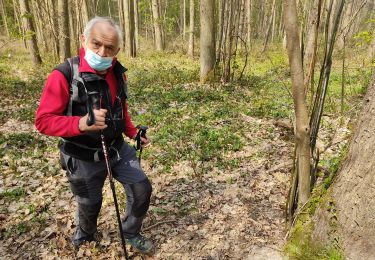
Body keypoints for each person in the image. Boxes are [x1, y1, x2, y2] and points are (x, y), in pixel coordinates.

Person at [35, 17, 153, 254]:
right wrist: (80, 123)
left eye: (109, 47)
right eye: (96, 44)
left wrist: (132, 132)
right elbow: (43, 121)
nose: (102, 51)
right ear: (84, 40)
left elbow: (121, 107)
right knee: (90, 203)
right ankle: (86, 237)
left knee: (142, 189)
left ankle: (130, 232)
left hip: (116, 148)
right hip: (81, 155)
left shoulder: (117, 72)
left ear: (117, 49)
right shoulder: (64, 74)